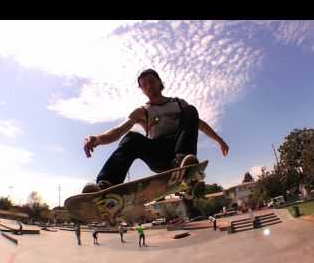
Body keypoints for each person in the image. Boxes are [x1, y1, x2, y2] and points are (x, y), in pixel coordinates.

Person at [81, 69, 229, 193]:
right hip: (159, 155)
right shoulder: (142, 111)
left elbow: (199, 124)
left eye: (151, 81)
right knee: (131, 137)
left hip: (180, 152)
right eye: (144, 85)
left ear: (159, 82)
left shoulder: (179, 103)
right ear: (142, 89)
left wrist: (220, 141)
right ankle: (106, 184)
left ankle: (182, 163)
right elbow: (119, 130)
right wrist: (98, 139)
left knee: (191, 110)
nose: (149, 86)